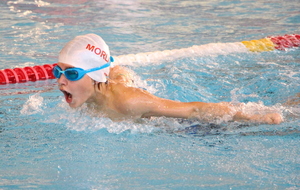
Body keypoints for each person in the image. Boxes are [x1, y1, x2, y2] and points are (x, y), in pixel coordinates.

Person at [54, 33, 283, 124]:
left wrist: (255, 118)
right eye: (58, 71)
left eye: (72, 73)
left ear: (95, 76)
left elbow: (193, 111)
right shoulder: (86, 93)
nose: (60, 81)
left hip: (191, 129)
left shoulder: (128, 103)